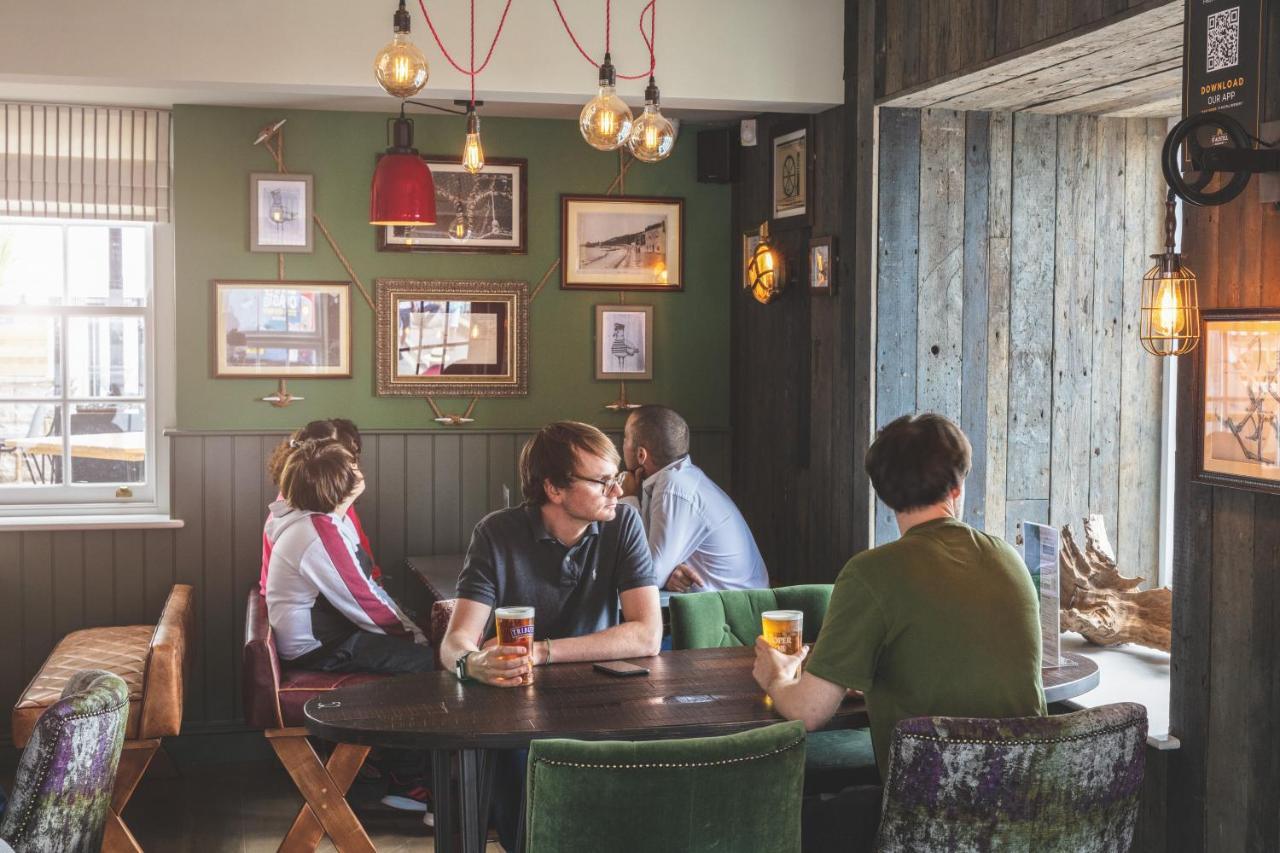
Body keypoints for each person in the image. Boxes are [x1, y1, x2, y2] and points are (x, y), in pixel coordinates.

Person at [752, 413, 1046, 852]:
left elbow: (809, 712)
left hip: (929, 820)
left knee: (781, 819)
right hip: (1032, 812)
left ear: (885, 494)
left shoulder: (872, 572)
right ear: (957, 487)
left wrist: (775, 677)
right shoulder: (1008, 559)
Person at [440, 421, 662, 849]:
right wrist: (473, 663)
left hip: (603, 696)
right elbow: (455, 642)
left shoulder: (623, 524)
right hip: (521, 706)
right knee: (526, 814)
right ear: (554, 489)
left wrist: (542, 651)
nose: (618, 491)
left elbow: (647, 635)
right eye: (603, 482)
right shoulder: (497, 533)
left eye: (617, 478)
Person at [264, 437, 433, 813]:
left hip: (323, 635)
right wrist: (417, 636)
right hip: (318, 646)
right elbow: (366, 602)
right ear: (339, 484)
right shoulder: (317, 532)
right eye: (352, 466)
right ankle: (410, 782)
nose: (360, 469)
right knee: (426, 665)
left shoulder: (316, 519)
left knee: (419, 651)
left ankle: (391, 764)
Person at [620, 405, 768, 592]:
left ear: (642, 454)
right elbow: (649, 558)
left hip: (739, 608)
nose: (622, 444)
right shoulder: (677, 478)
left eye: (625, 438)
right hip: (727, 601)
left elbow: (645, 578)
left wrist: (628, 500)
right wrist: (667, 574)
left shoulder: (673, 487)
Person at [260, 419, 381, 595]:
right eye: (343, 456)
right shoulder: (303, 512)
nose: (352, 466)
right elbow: (349, 573)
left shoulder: (306, 498)